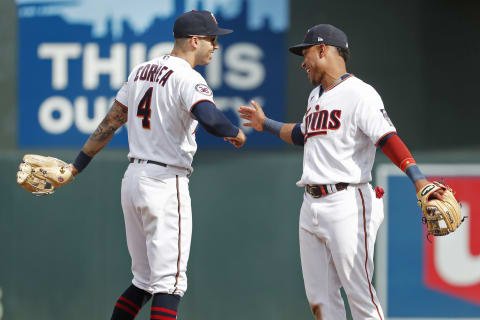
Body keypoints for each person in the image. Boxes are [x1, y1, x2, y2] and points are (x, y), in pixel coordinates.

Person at [239, 24, 442, 319]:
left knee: (359, 293)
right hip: (311, 204)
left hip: (347, 201)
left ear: (323, 50)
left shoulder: (361, 94)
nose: (303, 62)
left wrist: (417, 178)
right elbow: (302, 134)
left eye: (306, 53)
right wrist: (265, 123)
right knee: (320, 300)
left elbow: (388, 138)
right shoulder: (316, 96)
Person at [69, 10, 246, 320]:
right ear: (194, 41)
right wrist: (234, 131)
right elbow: (209, 117)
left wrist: (77, 165)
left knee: (144, 281)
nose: (216, 46)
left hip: (133, 181)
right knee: (170, 285)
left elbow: (111, 121)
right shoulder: (188, 77)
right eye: (213, 40)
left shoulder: (141, 70)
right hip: (165, 182)